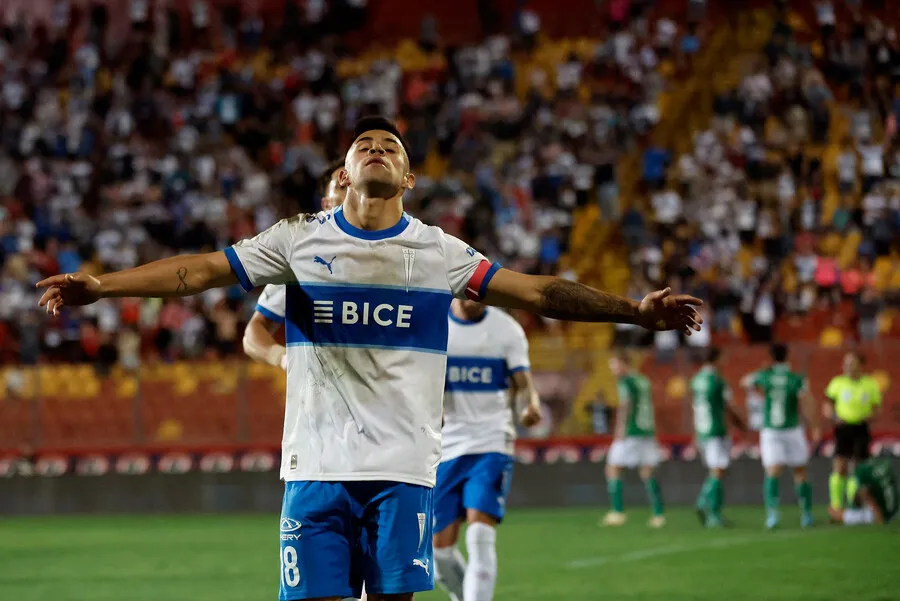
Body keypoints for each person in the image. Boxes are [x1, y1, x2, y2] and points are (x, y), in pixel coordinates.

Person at [36, 116, 703, 601]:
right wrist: (104, 286)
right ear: (345, 173)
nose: (377, 150)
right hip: (315, 470)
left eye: (390, 147)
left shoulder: (439, 252)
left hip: (402, 471)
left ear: (408, 177)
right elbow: (201, 271)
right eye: (364, 146)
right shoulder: (296, 241)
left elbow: (538, 292)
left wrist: (633, 311)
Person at [432, 298, 541, 601]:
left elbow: (524, 385)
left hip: (492, 441)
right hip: (446, 446)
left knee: (480, 535)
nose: (475, 300)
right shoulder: (435, 325)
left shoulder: (506, 330)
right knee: (439, 555)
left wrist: (530, 406)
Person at [242, 159, 348, 369]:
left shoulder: (403, 254)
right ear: (326, 204)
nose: (352, 192)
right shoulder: (302, 258)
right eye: (342, 186)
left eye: (357, 184)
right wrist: (284, 358)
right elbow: (253, 334)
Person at [742, 344, 821, 530]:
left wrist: (763, 375)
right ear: (788, 356)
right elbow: (807, 403)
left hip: (771, 430)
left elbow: (745, 382)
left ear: (771, 357)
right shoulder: (796, 378)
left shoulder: (765, 376)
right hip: (792, 428)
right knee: (800, 471)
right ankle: (806, 514)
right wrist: (815, 426)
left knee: (772, 471)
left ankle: (772, 515)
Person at [602, 352, 666, 528]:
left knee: (613, 468)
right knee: (647, 471)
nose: (613, 369)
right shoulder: (643, 380)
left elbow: (626, 404)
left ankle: (617, 512)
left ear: (624, 363)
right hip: (646, 430)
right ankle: (658, 514)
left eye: (614, 364)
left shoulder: (626, 381)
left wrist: (620, 428)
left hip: (631, 431)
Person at [690, 347, 746, 527]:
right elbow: (728, 407)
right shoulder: (718, 381)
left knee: (716, 470)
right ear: (716, 359)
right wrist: (740, 424)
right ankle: (706, 506)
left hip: (701, 431)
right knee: (718, 470)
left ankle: (714, 512)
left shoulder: (696, 380)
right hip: (716, 430)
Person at [824, 351, 882, 514]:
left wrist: (869, 417)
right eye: (846, 363)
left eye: (851, 363)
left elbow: (876, 409)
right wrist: (834, 417)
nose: (847, 366)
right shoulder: (837, 383)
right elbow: (827, 406)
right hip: (843, 428)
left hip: (861, 428)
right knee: (840, 465)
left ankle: (853, 504)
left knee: (858, 468)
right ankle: (836, 505)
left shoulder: (870, 384)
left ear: (860, 365)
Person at [827, 457, 897, 526]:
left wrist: (880, 519)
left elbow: (867, 496)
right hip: (894, 511)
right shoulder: (879, 465)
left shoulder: (861, 471)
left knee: (841, 515)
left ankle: (841, 514)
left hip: (882, 513)